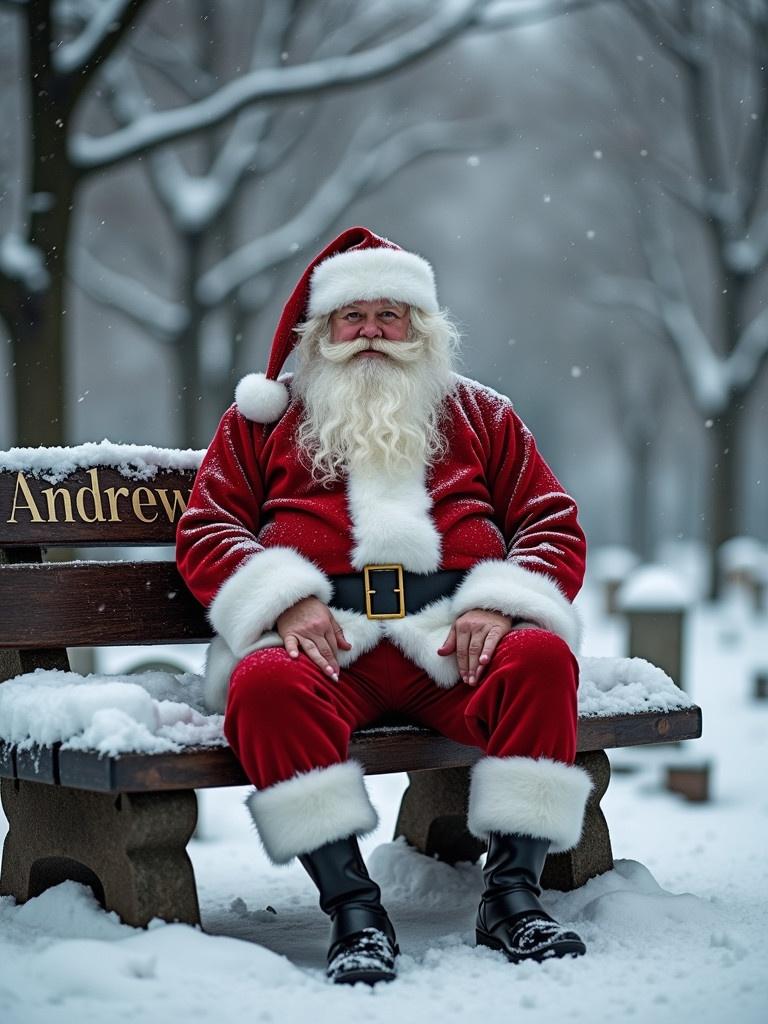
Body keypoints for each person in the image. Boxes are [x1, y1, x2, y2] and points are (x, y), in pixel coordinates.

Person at [176, 226, 591, 985]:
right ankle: (353, 911)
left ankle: (513, 897)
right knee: (263, 684)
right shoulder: (263, 421)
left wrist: (500, 607)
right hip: (325, 643)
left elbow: (551, 522)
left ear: (421, 328)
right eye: (352, 316)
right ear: (324, 331)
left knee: (540, 657)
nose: (370, 332)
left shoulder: (482, 414)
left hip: (452, 641)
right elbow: (208, 527)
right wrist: (285, 603)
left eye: (389, 315)